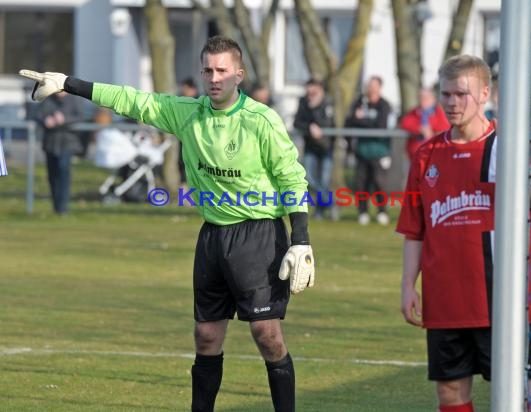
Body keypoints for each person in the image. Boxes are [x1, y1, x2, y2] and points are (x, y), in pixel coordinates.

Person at [20, 35, 315, 412]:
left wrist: (301, 240)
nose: (214, 77)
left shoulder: (261, 120)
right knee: (206, 336)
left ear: (239, 75)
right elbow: (131, 100)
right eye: (207, 69)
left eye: (222, 70)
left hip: (258, 235)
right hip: (212, 236)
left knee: (267, 335)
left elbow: (292, 178)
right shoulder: (187, 112)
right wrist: (67, 83)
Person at [396, 55, 531, 412]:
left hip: (507, 300)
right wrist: (408, 284)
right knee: (450, 394)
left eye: (461, 94)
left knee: (520, 395)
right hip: (447, 300)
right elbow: (414, 231)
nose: (452, 103)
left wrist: (520, 162)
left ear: (485, 93)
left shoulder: (512, 147)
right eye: (446, 94)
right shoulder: (426, 155)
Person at [345, 75, 392, 226]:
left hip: (379, 152)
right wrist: (360, 120)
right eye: (369, 85)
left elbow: (381, 125)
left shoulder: (384, 105)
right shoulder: (360, 102)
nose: (371, 89)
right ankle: (363, 212)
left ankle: (382, 212)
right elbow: (349, 121)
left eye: (374, 86)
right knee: (361, 183)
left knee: (379, 183)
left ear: (379, 87)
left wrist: (361, 121)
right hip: (362, 151)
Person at [36, 91, 85, 214]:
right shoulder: (48, 100)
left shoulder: (74, 100)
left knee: (63, 173)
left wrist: (64, 119)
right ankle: (56, 207)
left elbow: (80, 117)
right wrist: (46, 120)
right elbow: (38, 115)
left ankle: (63, 208)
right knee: (52, 175)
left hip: (67, 143)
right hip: (50, 144)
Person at [293, 77, 335, 220]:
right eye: (309, 86)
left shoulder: (328, 102)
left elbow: (331, 123)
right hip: (310, 146)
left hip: (326, 147)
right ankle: (330, 203)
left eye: (314, 87)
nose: (310, 90)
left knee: (324, 180)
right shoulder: (304, 102)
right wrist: (310, 126)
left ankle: (321, 210)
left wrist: (318, 122)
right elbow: (297, 122)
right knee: (310, 178)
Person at [399, 86, 450, 161]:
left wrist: (431, 129)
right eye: (421, 97)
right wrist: (419, 129)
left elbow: (445, 126)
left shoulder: (438, 112)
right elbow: (405, 123)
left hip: (435, 152)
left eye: (426, 97)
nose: (424, 100)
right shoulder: (414, 112)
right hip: (416, 152)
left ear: (433, 99)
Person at [178, 77, 200, 184]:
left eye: (186, 89)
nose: (183, 91)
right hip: (184, 140)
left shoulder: (199, 104)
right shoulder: (182, 103)